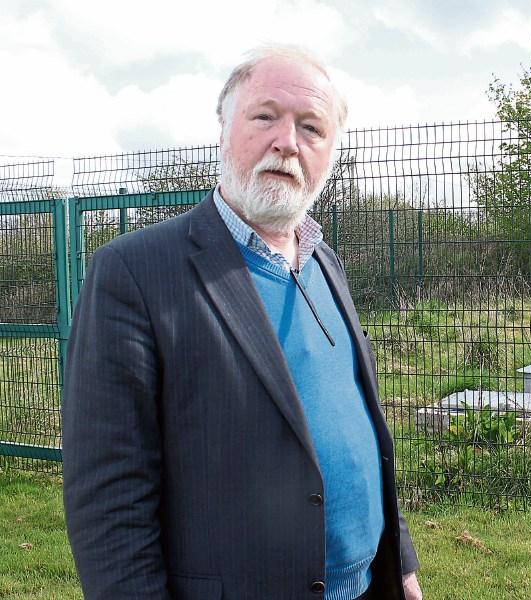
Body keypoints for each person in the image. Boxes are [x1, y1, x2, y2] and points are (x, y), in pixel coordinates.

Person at [62, 44, 423, 600]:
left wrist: (399, 562)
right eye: (264, 116)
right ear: (224, 128)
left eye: (311, 127)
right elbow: (109, 500)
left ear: (330, 152)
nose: (287, 141)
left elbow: (361, 427)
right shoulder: (134, 272)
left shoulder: (323, 258)